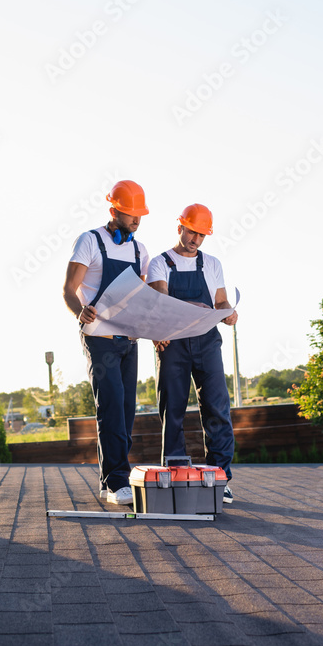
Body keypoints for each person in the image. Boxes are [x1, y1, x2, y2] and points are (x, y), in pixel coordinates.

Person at [63, 180, 150, 505]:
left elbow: (141, 295)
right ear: (113, 210)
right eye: (130, 214)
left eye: (140, 214)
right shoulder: (90, 241)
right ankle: (117, 482)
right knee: (111, 406)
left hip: (128, 338)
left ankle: (106, 480)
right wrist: (79, 312)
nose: (136, 220)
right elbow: (69, 290)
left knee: (126, 411)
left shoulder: (140, 251)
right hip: (98, 336)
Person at [147, 204, 237, 504]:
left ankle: (219, 477)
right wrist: (193, 309)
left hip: (207, 341)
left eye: (201, 235)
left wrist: (228, 313)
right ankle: (172, 477)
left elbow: (221, 301)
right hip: (172, 343)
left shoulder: (212, 264)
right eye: (191, 232)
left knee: (217, 408)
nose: (196, 239)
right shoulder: (159, 263)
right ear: (179, 227)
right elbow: (160, 304)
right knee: (172, 410)